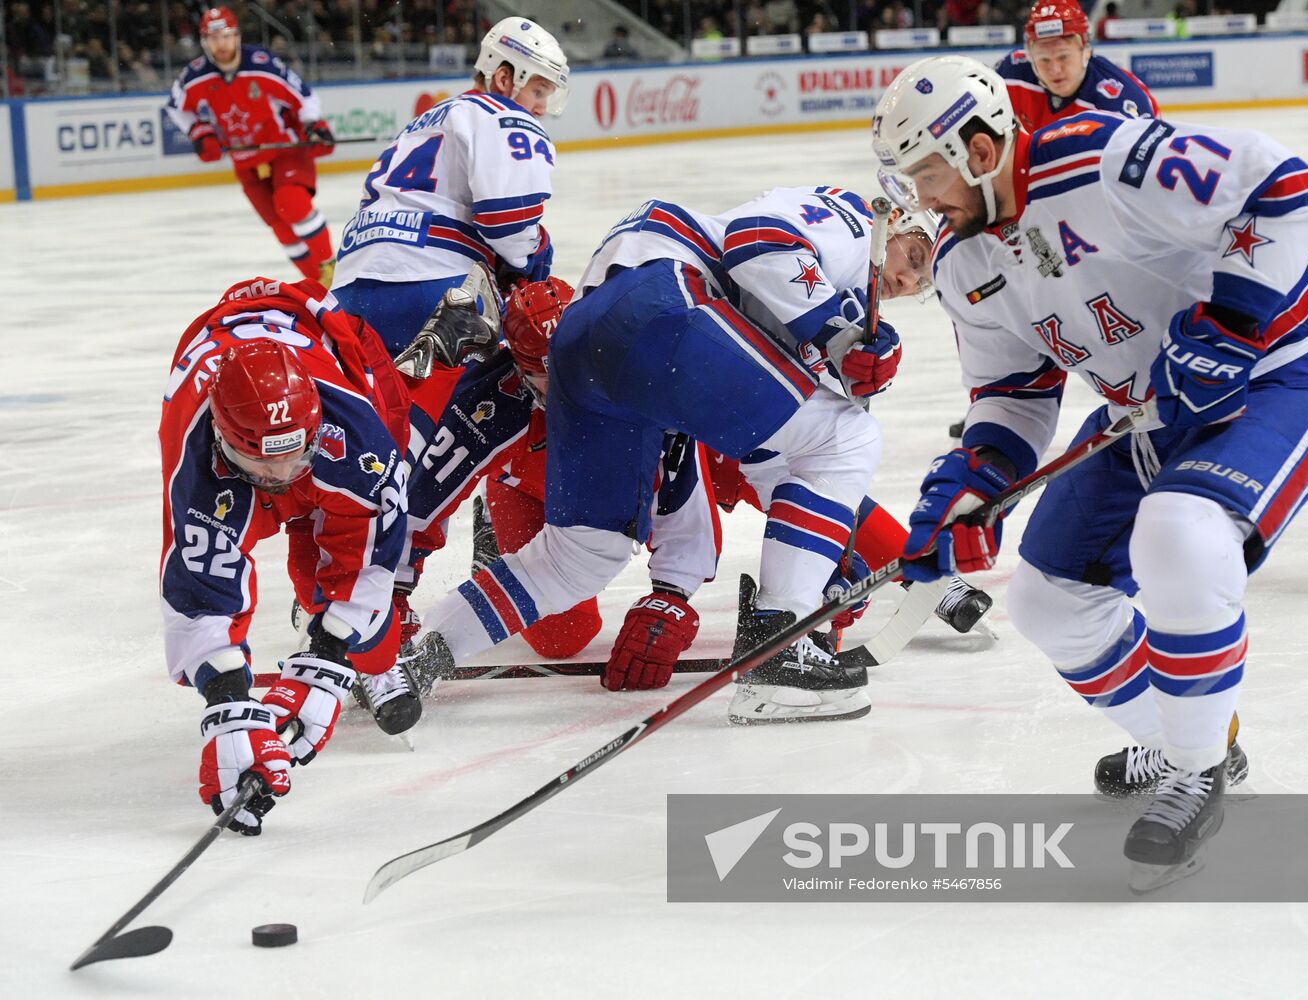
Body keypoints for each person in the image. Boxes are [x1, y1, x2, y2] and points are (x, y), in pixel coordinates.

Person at [872, 55, 1308, 874]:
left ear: (977, 148)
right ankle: (1189, 739)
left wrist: (1229, 324)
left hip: (1272, 372)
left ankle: (1193, 771)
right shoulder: (963, 266)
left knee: (1178, 534)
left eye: (925, 172)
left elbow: (1284, 189)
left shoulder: (1094, 158)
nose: (919, 199)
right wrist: (974, 479)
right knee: (1045, 599)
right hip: (1143, 413)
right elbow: (1014, 393)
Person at [406, 185, 909, 724]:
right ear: (899, 219)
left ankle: (414, 662)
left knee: (578, 557)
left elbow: (764, 456)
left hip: (593, 350)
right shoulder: (851, 222)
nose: (911, 281)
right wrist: (836, 333)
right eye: (919, 256)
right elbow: (760, 240)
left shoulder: (794, 297)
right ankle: (781, 648)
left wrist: (814, 559)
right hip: (660, 305)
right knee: (845, 438)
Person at [160, 276, 414, 835]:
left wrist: (331, 652)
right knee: (299, 571)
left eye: (291, 458)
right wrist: (227, 706)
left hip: (337, 348)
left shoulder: (355, 434)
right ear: (224, 439)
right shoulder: (196, 453)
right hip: (233, 400)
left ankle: (370, 654)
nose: (280, 478)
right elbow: (201, 591)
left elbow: (371, 551)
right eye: (264, 468)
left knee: (358, 612)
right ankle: (337, 635)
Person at [330, 16, 570, 356]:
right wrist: (534, 253)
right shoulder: (507, 117)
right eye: (539, 91)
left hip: (349, 289)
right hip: (435, 289)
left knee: (380, 405)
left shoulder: (422, 122)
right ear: (504, 78)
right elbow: (506, 221)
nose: (542, 108)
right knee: (500, 392)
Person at [164, 7, 337, 284]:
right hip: (245, 160)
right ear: (204, 42)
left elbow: (303, 96)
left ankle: (331, 266)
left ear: (237, 36)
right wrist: (200, 132)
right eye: (213, 37)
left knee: (290, 204)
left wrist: (313, 125)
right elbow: (176, 108)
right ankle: (319, 283)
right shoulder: (195, 75)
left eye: (227, 36)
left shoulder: (261, 63)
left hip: (284, 149)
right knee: (280, 227)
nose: (221, 44)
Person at [996, 0, 1158, 134]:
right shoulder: (1009, 73)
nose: (1055, 70)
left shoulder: (1120, 102)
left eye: (1063, 57)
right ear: (1030, 56)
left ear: (1086, 51)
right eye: (1044, 60)